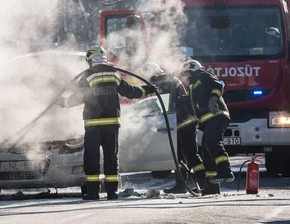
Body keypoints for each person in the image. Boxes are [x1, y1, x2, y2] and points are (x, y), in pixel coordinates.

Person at [56, 45, 156, 201]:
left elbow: (77, 98)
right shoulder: (114, 74)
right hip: (112, 124)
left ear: (90, 60)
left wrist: (61, 102)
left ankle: (93, 193)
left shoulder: (87, 76)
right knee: (111, 157)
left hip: (93, 124)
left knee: (92, 157)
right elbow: (130, 92)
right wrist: (147, 89)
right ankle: (111, 193)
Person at [140, 62, 205, 194]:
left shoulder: (164, 83)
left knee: (191, 155)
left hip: (184, 123)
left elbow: (160, 105)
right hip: (176, 123)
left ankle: (205, 184)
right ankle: (181, 185)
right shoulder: (165, 82)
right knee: (178, 157)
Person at [181, 59, 233, 195]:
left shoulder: (204, 76)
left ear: (193, 70)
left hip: (217, 115)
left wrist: (213, 99)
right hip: (207, 119)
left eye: (187, 73)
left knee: (212, 142)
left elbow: (218, 85)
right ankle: (211, 187)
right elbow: (191, 103)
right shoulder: (192, 87)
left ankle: (225, 171)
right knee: (206, 153)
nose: (186, 76)